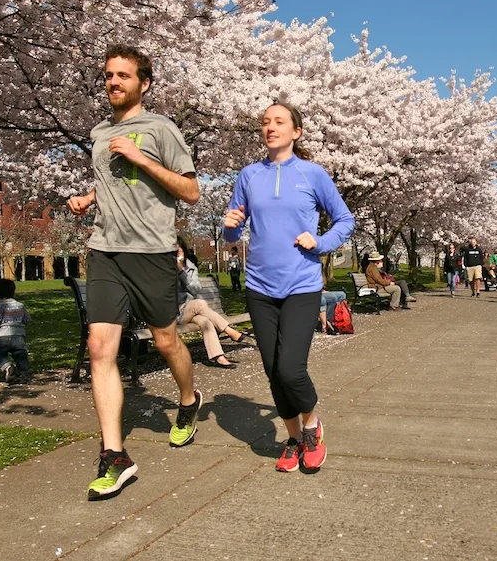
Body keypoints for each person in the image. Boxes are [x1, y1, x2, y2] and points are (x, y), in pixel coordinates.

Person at [67, 45, 201, 501]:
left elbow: (191, 191)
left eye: (123, 75)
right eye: (108, 75)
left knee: (166, 341)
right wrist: (89, 198)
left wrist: (144, 159)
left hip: (152, 252)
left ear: (143, 83)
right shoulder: (98, 132)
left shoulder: (162, 129)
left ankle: (188, 401)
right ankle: (115, 456)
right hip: (105, 251)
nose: (113, 82)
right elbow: (110, 183)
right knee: (99, 347)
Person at [223, 101, 354, 474]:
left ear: (296, 132)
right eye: (265, 122)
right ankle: (293, 437)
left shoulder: (312, 174)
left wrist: (322, 242)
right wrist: (230, 225)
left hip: (301, 283)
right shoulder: (249, 175)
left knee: (290, 368)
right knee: (271, 369)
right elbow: (232, 231)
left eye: (279, 122)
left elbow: (346, 219)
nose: (270, 127)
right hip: (260, 285)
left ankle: (312, 426)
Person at [177, 236, 251, 369]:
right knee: (200, 303)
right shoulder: (163, 269)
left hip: (189, 310)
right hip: (175, 312)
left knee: (206, 322)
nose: (176, 256)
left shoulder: (190, 267)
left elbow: (195, 289)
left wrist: (182, 272)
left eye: (179, 252)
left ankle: (219, 357)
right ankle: (229, 330)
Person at [0, 278, 32, 384]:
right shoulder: (20, 305)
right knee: (21, 355)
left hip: (3, 336)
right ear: (14, 292)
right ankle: (23, 374)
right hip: (19, 336)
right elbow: (27, 319)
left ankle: (7, 366)